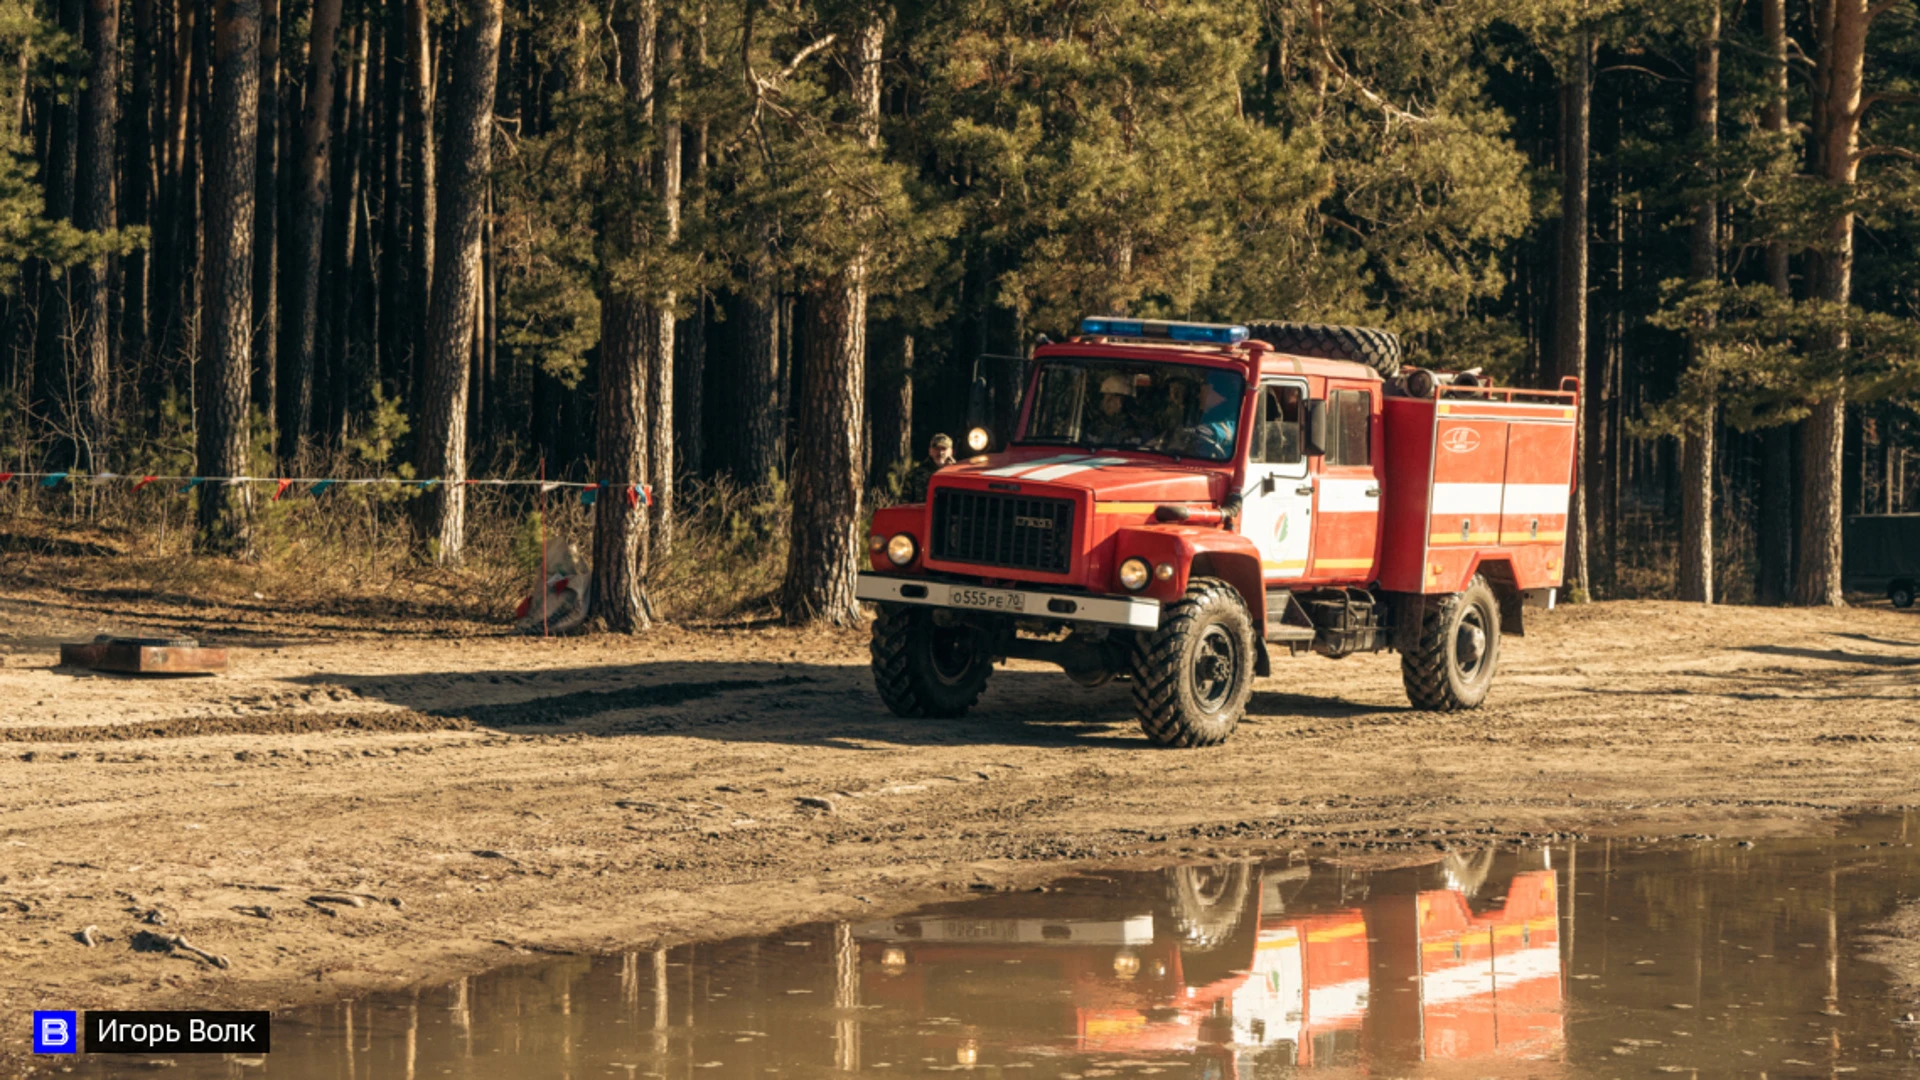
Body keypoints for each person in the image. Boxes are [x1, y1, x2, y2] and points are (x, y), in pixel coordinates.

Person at [906, 433, 955, 502]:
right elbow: (905, 504)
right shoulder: (915, 474)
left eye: (944, 449)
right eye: (936, 448)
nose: (940, 452)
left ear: (951, 452)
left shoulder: (958, 475)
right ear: (930, 451)